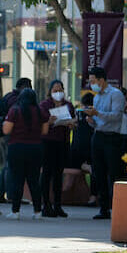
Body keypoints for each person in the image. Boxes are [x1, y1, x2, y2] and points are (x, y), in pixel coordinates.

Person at [84, 66, 125, 219]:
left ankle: (117, 207)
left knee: (113, 172)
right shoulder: (97, 97)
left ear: (101, 80)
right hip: (98, 136)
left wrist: (97, 113)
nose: (91, 83)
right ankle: (103, 208)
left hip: (112, 137)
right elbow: (98, 121)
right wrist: (91, 119)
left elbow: (115, 116)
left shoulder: (116, 94)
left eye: (93, 80)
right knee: (98, 172)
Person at [2, 88, 46, 219]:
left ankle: (15, 211)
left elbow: (6, 130)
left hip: (17, 147)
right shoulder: (40, 111)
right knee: (34, 181)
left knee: (17, 180)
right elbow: (44, 131)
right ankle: (38, 211)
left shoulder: (15, 110)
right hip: (36, 148)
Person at [39, 80, 76, 217]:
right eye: (55, 90)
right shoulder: (44, 105)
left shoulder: (68, 105)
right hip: (48, 142)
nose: (58, 93)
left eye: (60, 90)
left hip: (63, 142)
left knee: (58, 174)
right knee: (46, 173)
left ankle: (58, 205)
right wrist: (49, 121)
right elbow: (40, 121)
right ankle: (46, 205)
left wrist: (71, 124)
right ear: (50, 91)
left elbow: (73, 120)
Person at [0, 78, 32, 204]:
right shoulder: (17, 100)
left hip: (4, 134)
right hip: (11, 135)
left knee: (7, 165)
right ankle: (11, 195)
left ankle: (0, 194)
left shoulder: (9, 96)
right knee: (11, 166)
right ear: (24, 87)